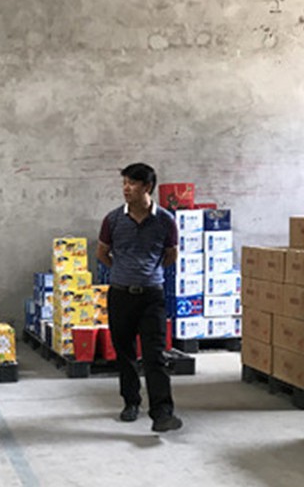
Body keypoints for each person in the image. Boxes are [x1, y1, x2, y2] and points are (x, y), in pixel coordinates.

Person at [95, 163, 183, 432]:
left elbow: (171, 255)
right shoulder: (113, 220)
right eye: (124, 183)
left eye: (132, 183)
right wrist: (123, 272)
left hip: (152, 297)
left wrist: (148, 273)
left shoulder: (165, 221)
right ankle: (130, 402)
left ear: (147, 187)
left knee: (155, 355)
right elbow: (102, 253)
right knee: (125, 353)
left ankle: (162, 413)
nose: (126, 188)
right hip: (121, 295)